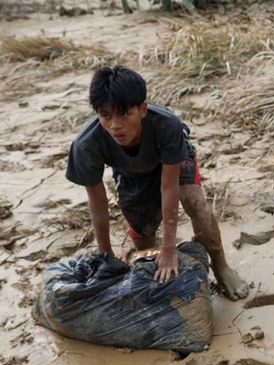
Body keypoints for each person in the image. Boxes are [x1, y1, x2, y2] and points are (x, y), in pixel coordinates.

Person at [66, 65, 248, 300]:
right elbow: (97, 201)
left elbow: (169, 186)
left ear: (142, 109)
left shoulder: (166, 125)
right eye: (105, 115)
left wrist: (170, 249)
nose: (115, 126)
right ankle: (147, 258)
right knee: (143, 235)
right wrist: (105, 254)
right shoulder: (86, 144)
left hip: (170, 162)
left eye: (124, 114)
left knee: (194, 201)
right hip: (131, 172)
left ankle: (221, 266)